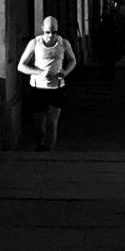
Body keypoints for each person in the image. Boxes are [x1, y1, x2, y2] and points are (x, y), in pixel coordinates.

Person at [18, 16, 77, 151]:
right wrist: (38, 73)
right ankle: (40, 144)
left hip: (56, 87)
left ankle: (48, 151)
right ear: (43, 29)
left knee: (52, 122)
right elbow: (21, 66)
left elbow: (73, 60)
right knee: (39, 124)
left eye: (54, 32)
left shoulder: (63, 43)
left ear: (58, 31)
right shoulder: (35, 43)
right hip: (38, 87)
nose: (51, 36)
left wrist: (65, 72)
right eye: (48, 32)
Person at [92, 8, 123, 81]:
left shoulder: (102, 26)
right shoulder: (113, 25)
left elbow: (98, 37)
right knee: (110, 63)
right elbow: (117, 36)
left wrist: (95, 47)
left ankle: (104, 75)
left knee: (104, 62)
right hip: (110, 46)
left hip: (104, 46)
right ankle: (110, 75)